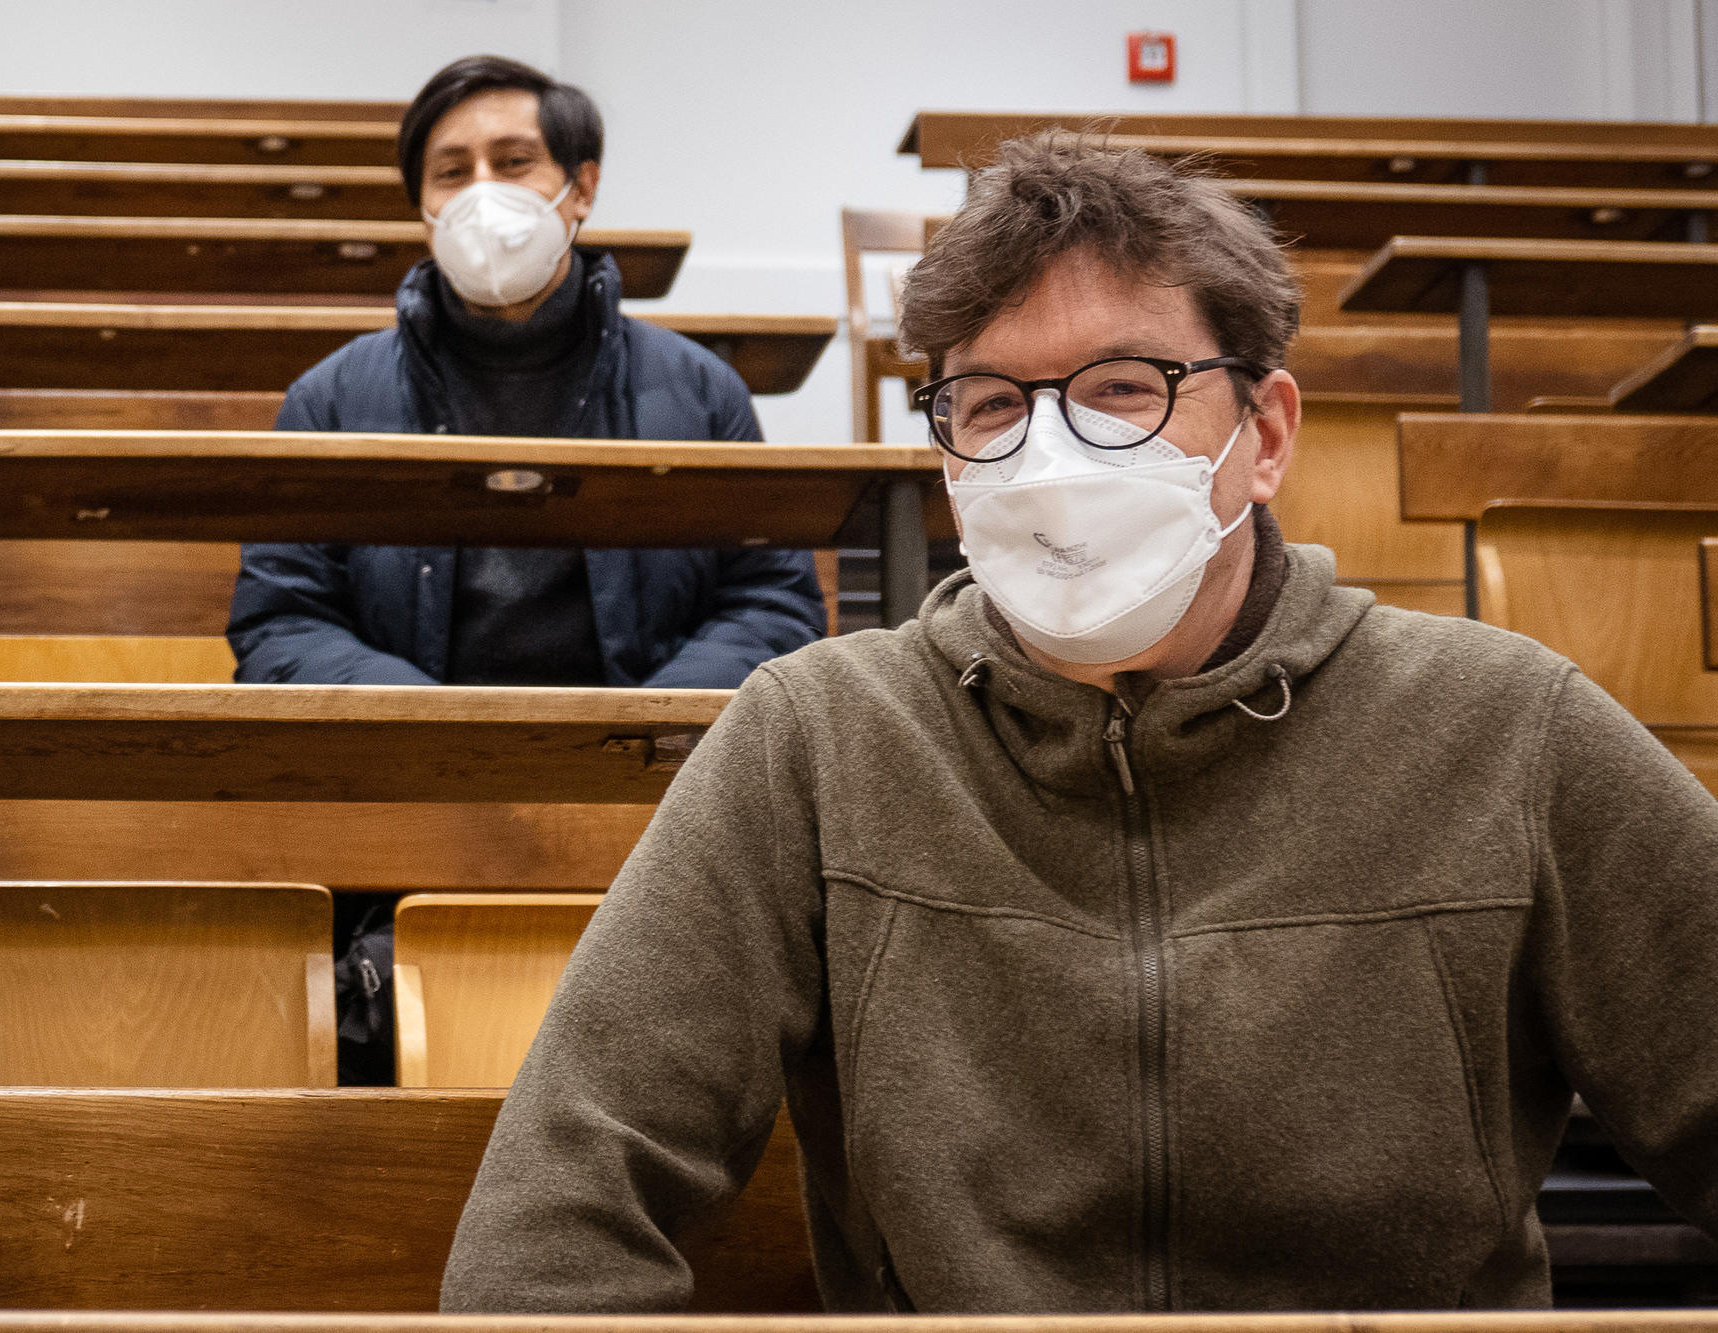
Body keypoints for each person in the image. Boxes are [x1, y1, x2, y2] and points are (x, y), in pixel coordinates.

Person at [438, 134, 1718, 1311]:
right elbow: (564, 1204)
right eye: (990, 406)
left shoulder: (1503, 727)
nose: (1050, 457)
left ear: (1262, 435)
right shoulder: (817, 739)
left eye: (1122, 389)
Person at [227, 55, 824, 688]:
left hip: (651, 771)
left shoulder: (700, 391)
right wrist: (428, 727)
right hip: (409, 770)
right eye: (452, 173)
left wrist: (644, 732)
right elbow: (283, 621)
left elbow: (771, 604)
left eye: (514, 164)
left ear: (583, 188)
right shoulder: (331, 401)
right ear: (422, 213)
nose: (483, 194)